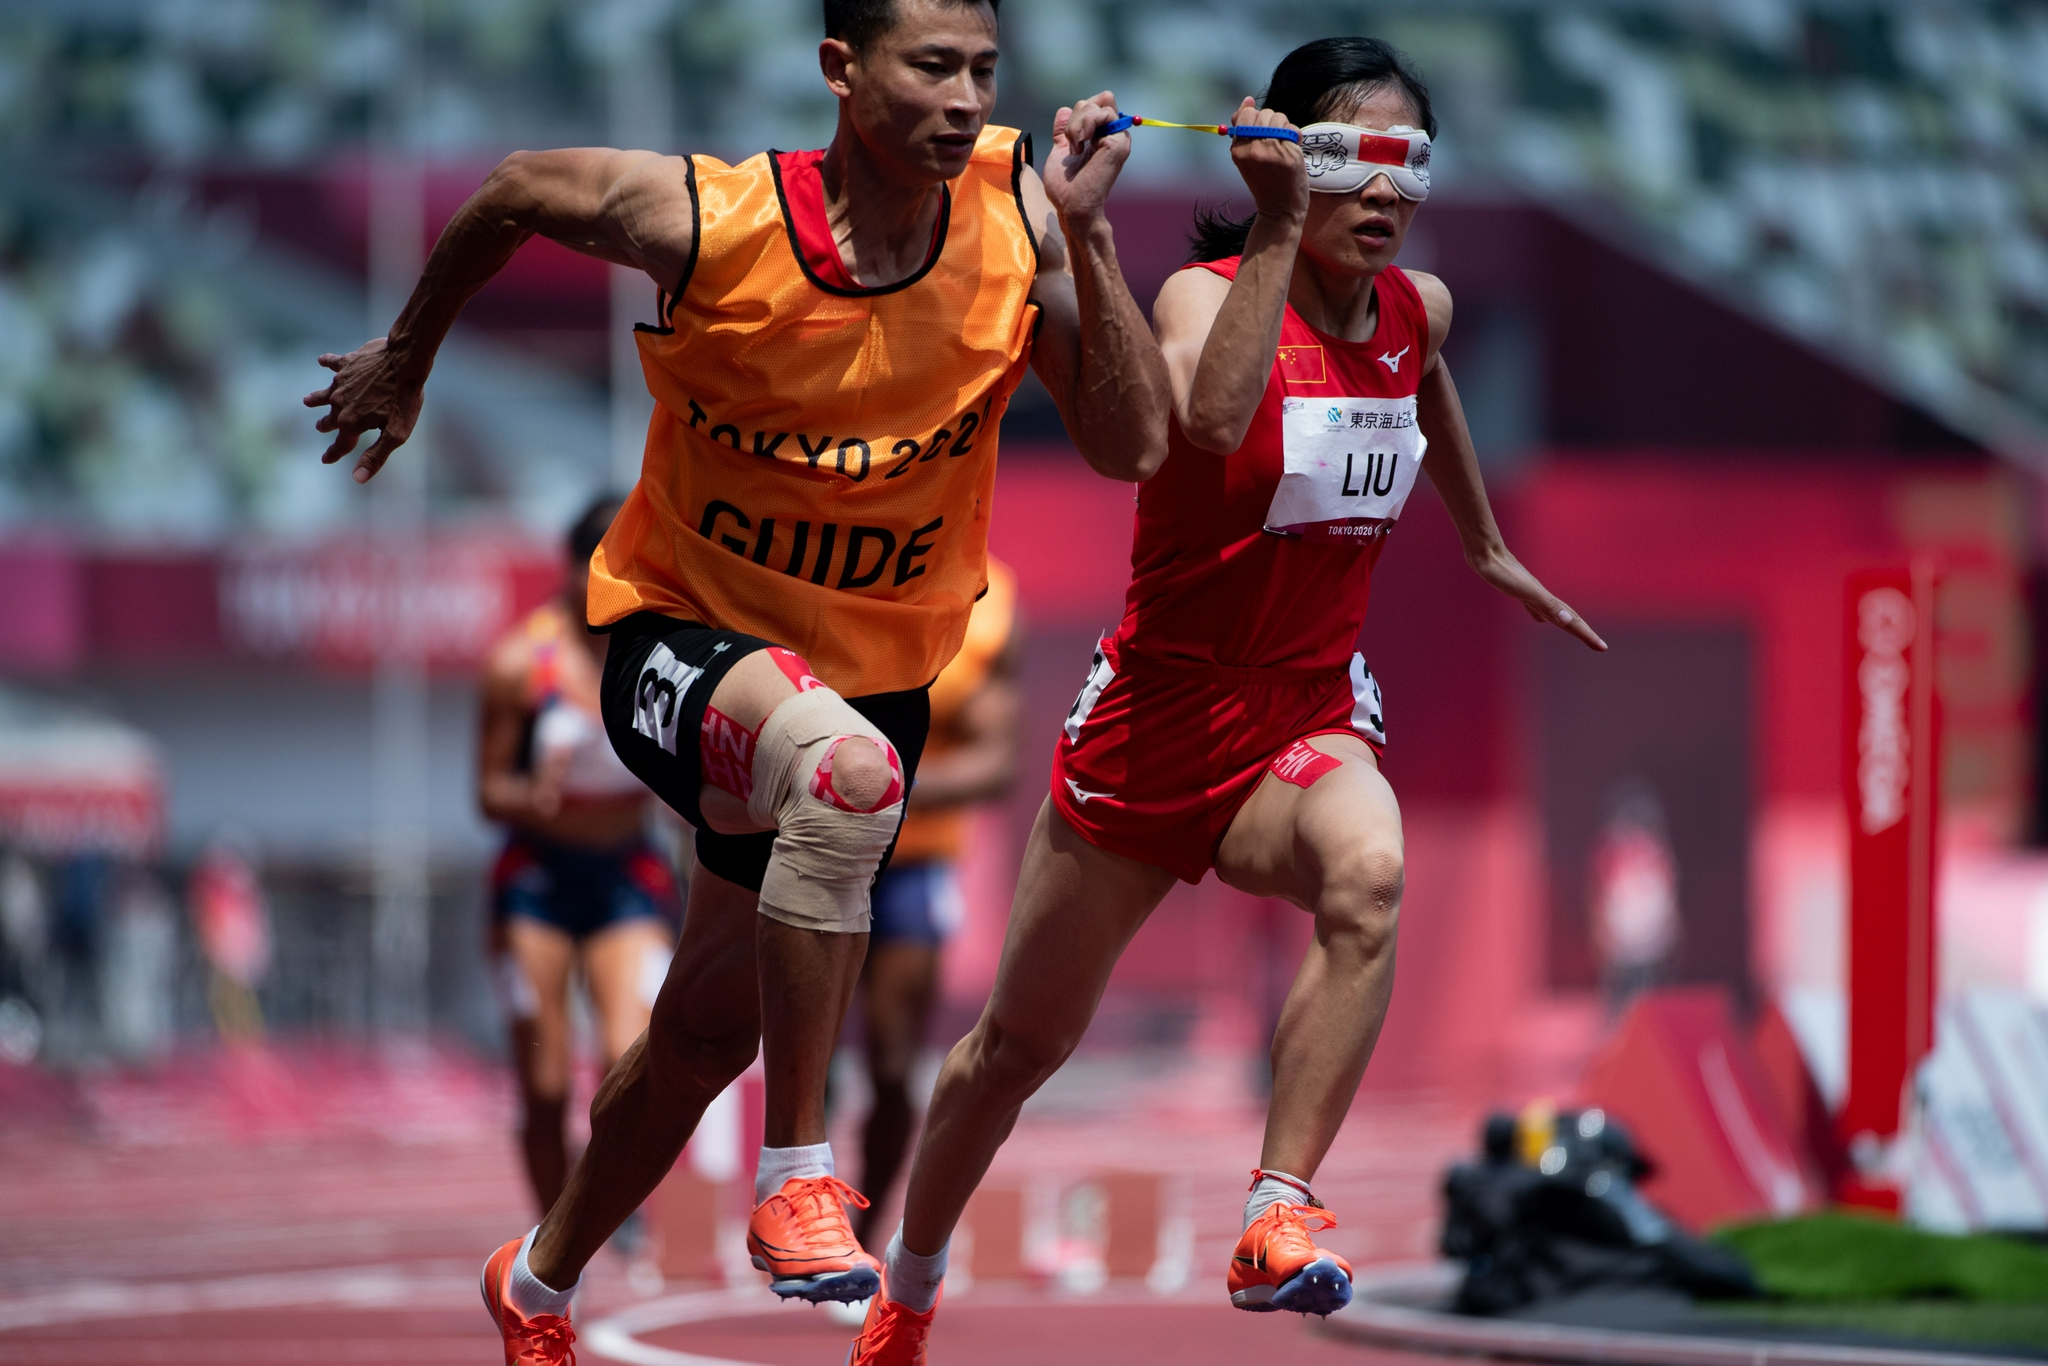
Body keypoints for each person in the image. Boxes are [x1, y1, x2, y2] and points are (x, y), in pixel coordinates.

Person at [303, 0, 1171, 1356]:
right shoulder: (714, 218)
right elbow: (515, 190)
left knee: (704, 1028)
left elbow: (1129, 446)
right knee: (846, 774)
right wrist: (410, 356)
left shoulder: (1021, 211)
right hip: (677, 636)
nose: (963, 98)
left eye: (983, 71)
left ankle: (534, 1283)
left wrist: (1095, 238)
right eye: (930, 65)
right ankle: (794, 1178)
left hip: (873, 666)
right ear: (840, 68)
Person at [850, 36, 1608, 1360]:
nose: (1386, 193)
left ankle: (1277, 1208)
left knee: (1369, 874)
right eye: (1354, 160)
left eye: (1409, 164)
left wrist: (1482, 540)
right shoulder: (1204, 294)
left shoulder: (1418, 307)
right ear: (1289, 163)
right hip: (1156, 720)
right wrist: (1268, 234)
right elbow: (1206, 424)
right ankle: (909, 1284)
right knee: (1013, 1052)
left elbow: (1423, 377)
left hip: (1306, 710)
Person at [477, 494, 681, 1218]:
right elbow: (488, 790)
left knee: (631, 1063)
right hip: (537, 880)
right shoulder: (519, 664)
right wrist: (532, 793)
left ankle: (602, 1209)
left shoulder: (661, 660)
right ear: (567, 572)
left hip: (627, 874)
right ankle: (553, 1238)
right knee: (545, 1082)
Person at [852, 558, 1022, 1255]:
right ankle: (800, 1204)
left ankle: (861, 1231)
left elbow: (998, 761)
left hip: (912, 860)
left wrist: (881, 786)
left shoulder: (994, 602)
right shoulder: (836, 557)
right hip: (809, 846)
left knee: (892, 1066)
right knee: (788, 1046)